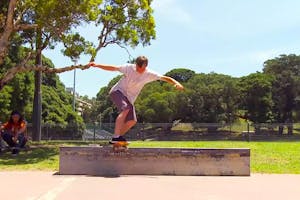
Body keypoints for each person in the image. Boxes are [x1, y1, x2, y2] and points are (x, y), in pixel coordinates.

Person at [88, 56, 184, 143]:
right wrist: (97, 65)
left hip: (129, 98)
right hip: (117, 91)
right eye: (138, 68)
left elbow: (164, 78)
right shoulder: (129, 68)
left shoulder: (149, 74)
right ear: (135, 64)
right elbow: (113, 68)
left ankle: (117, 137)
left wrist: (176, 83)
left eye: (142, 69)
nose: (139, 71)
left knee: (132, 120)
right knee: (126, 109)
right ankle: (116, 137)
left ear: (146, 66)